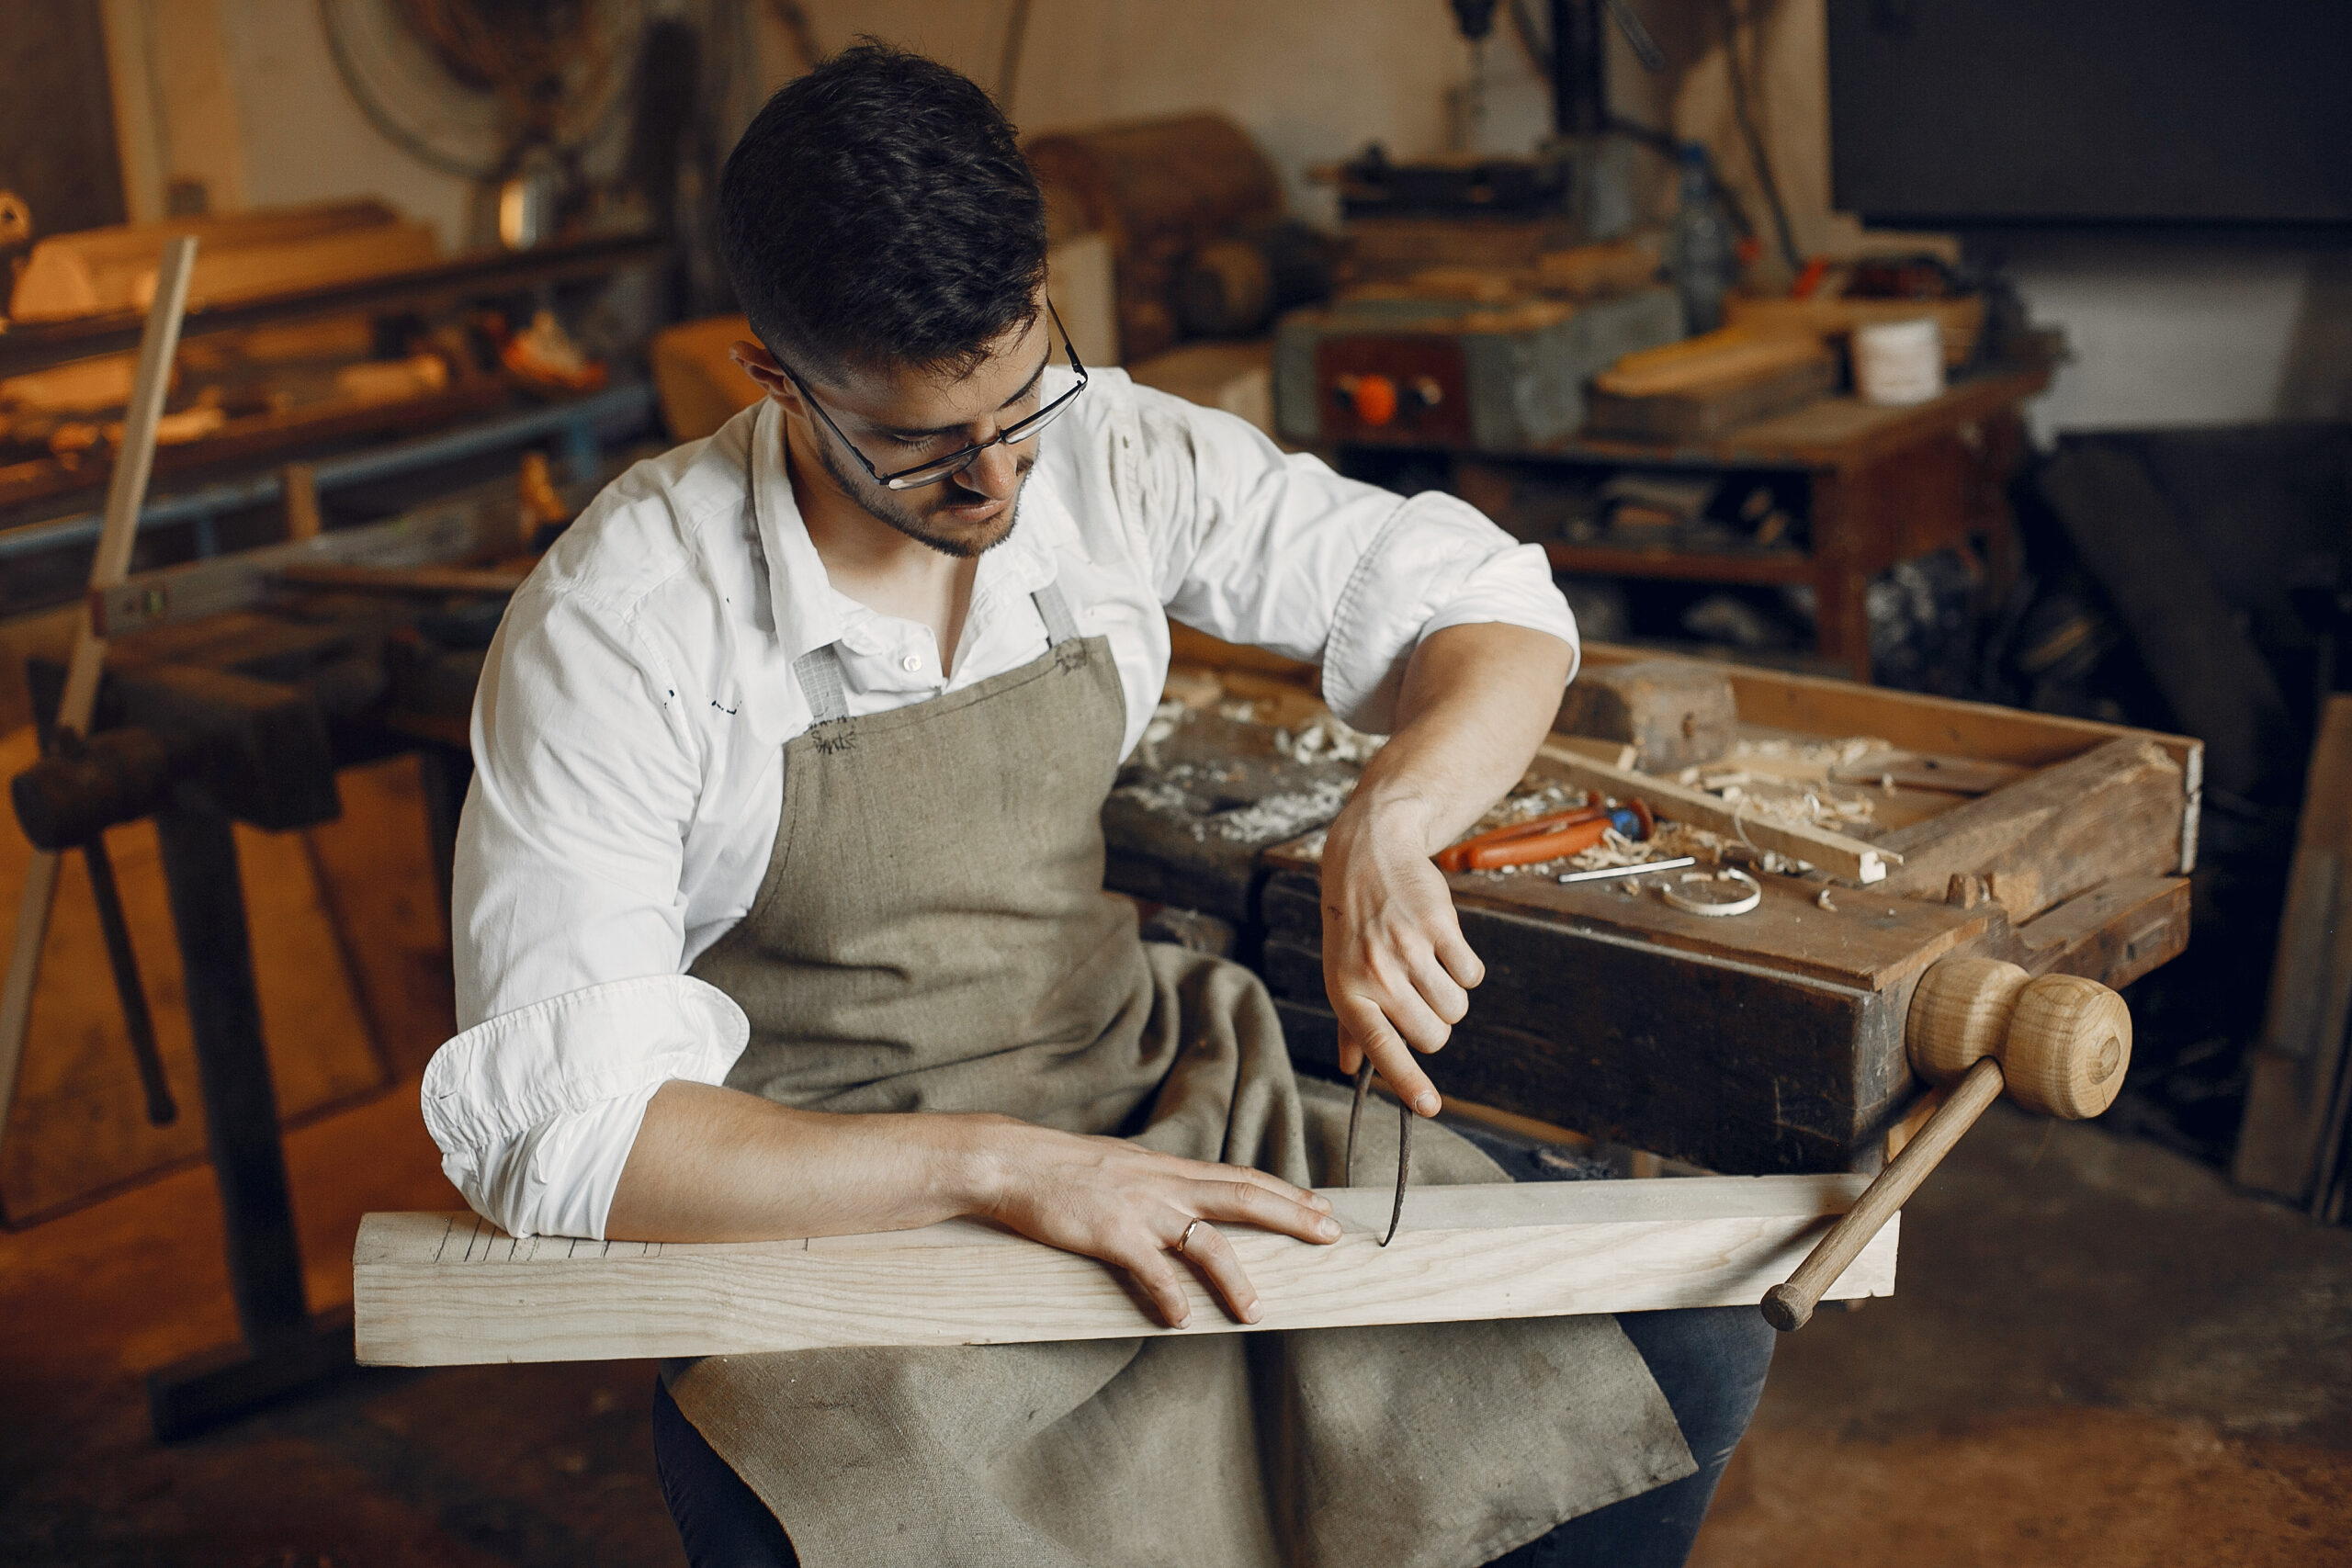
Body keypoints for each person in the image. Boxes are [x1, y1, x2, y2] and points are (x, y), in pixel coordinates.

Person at [423, 41, 1772, 1568]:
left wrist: (1391, 816)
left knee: (1675, 1353)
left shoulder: (1107, 454)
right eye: (921, 443)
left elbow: (1491, 607)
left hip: (1151, 1097)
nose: (998, 480)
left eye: (1021, 398)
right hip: (843, 1205)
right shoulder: (623, 623)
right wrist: (1003, 1167)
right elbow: (576, 1141)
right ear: (777, 379)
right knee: (831, 1517)